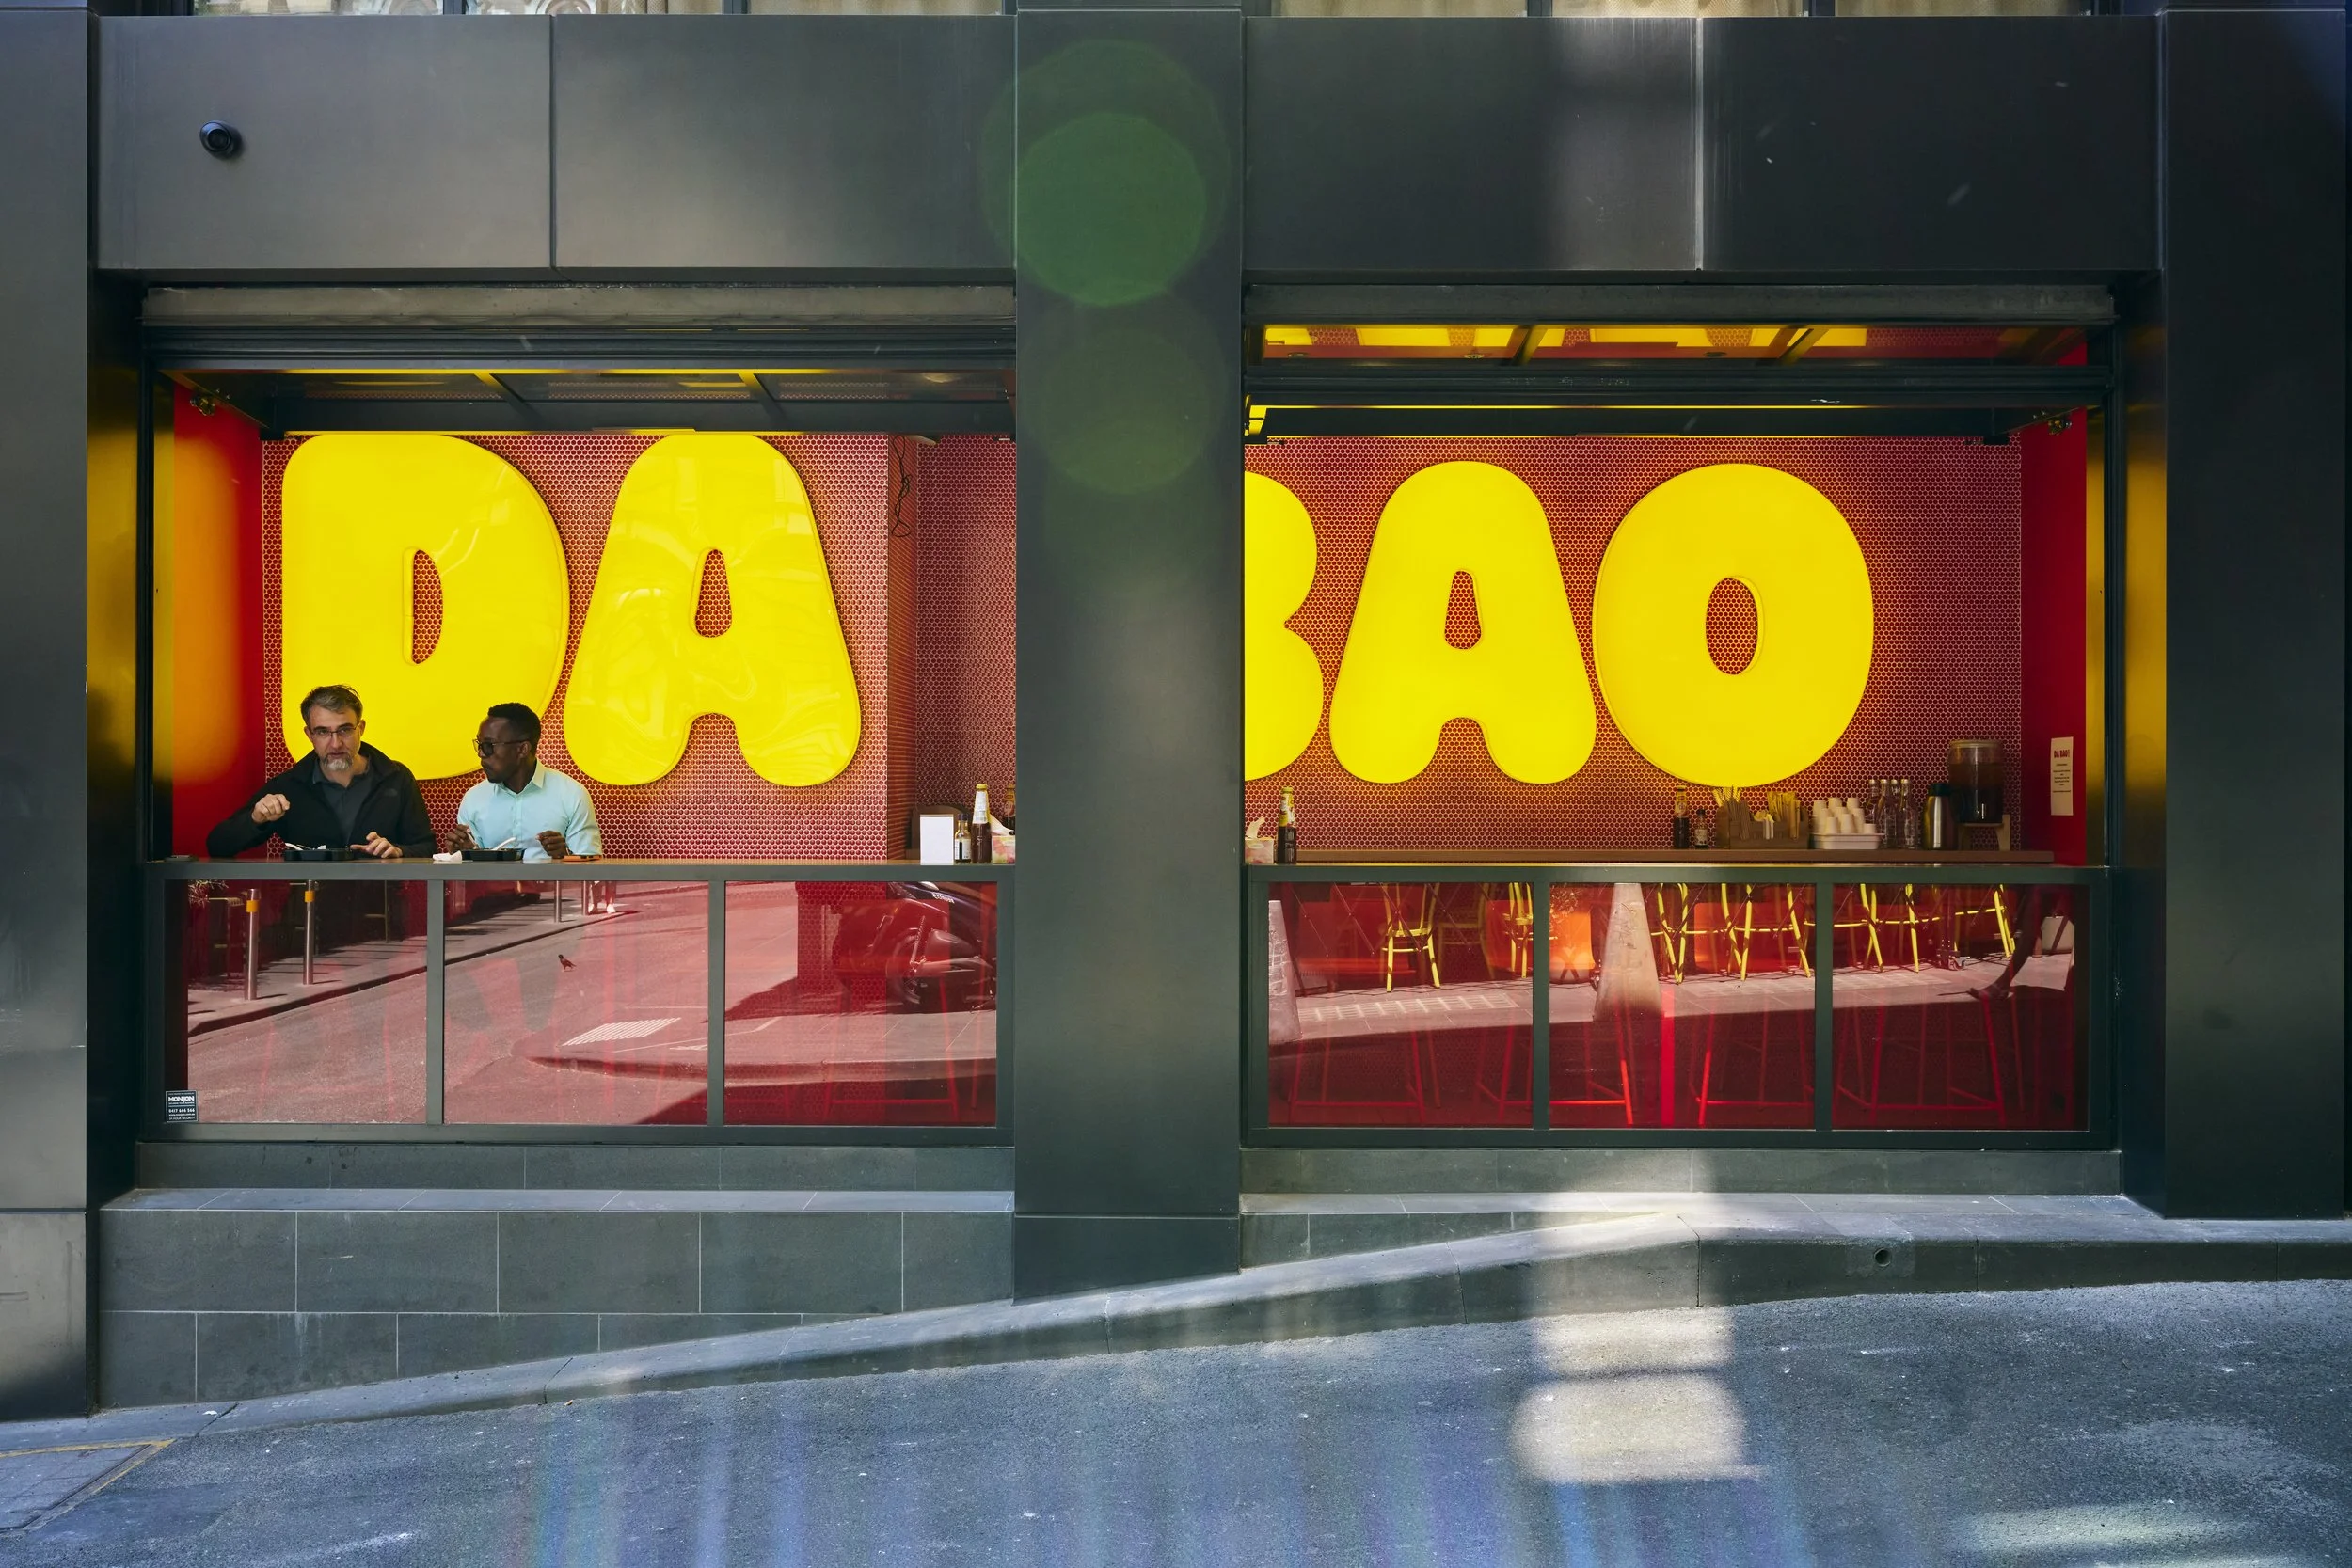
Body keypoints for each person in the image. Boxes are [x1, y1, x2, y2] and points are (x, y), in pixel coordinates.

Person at [206, 685, 435, 860]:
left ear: (361, 729)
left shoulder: (396, 778)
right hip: (307, 905)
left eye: (344, 730)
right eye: (323, 732)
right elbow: (217, 846)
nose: (335, 744)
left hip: (383, 904)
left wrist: (398, 851)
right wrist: (255, 820)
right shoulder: (288, 786)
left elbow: (427, 848)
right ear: (309, 735)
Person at [447, 702, 600, 863]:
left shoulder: (572, 794)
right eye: (479, 745)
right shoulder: (473, 799)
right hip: (492, 882)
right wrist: (468, 854)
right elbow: (472, 872)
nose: (481, 754)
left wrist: (564, 856)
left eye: (488, 746)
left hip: (553, 881)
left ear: (523, 749)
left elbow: (592, 868)